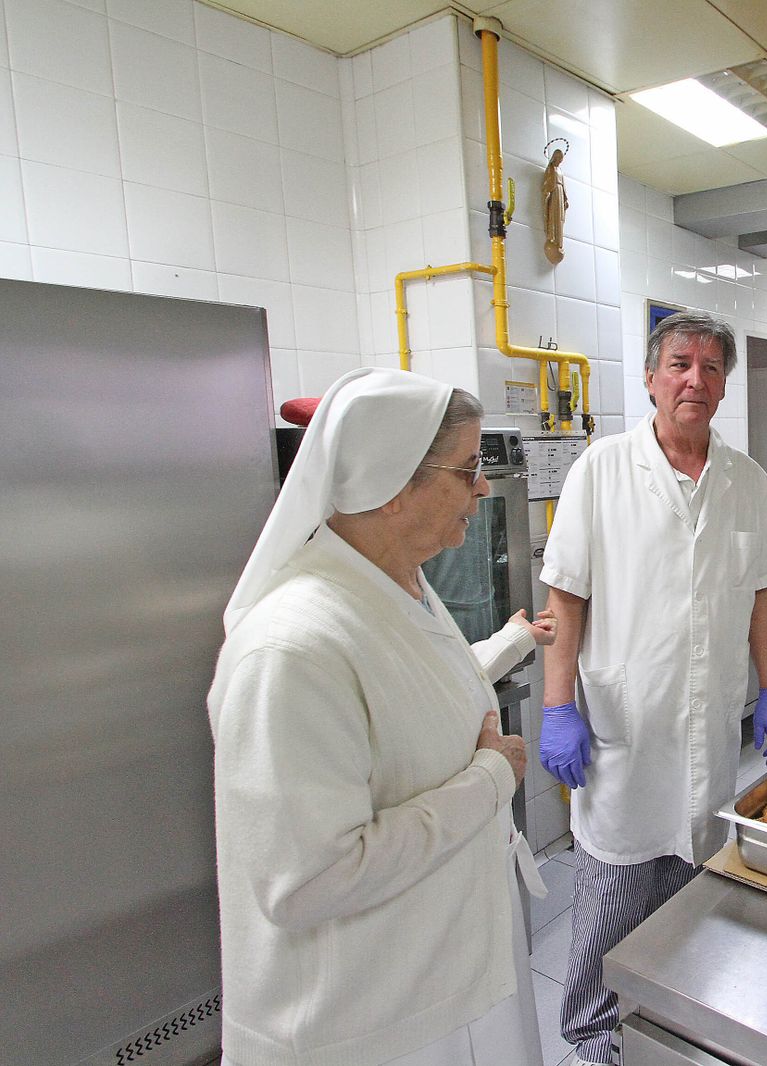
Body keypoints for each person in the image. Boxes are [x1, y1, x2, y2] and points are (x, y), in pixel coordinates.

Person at [208, 368, 556, 1066]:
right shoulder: (290, 649)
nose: (483, 489)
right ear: (394, 484)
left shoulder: (401, 586)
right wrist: (492, 780)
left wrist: (512, 640)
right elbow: (308, 880)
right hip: (372, 1024)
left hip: (448, 972)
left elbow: (414, 690)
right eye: (466, 469)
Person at [538, 310, 767, 1066]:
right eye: (680, 364)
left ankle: (663, 1034)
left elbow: (760, 596)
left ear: (724, 387)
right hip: (625, 731)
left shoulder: (747, 482)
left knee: (686, 910)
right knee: (609, 914)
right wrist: (557, 707)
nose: (695, 380)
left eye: (712, 368)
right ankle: (592, 1040)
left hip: (707, 735)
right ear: (651, 378)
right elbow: (566, 597)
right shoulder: (601, 472)